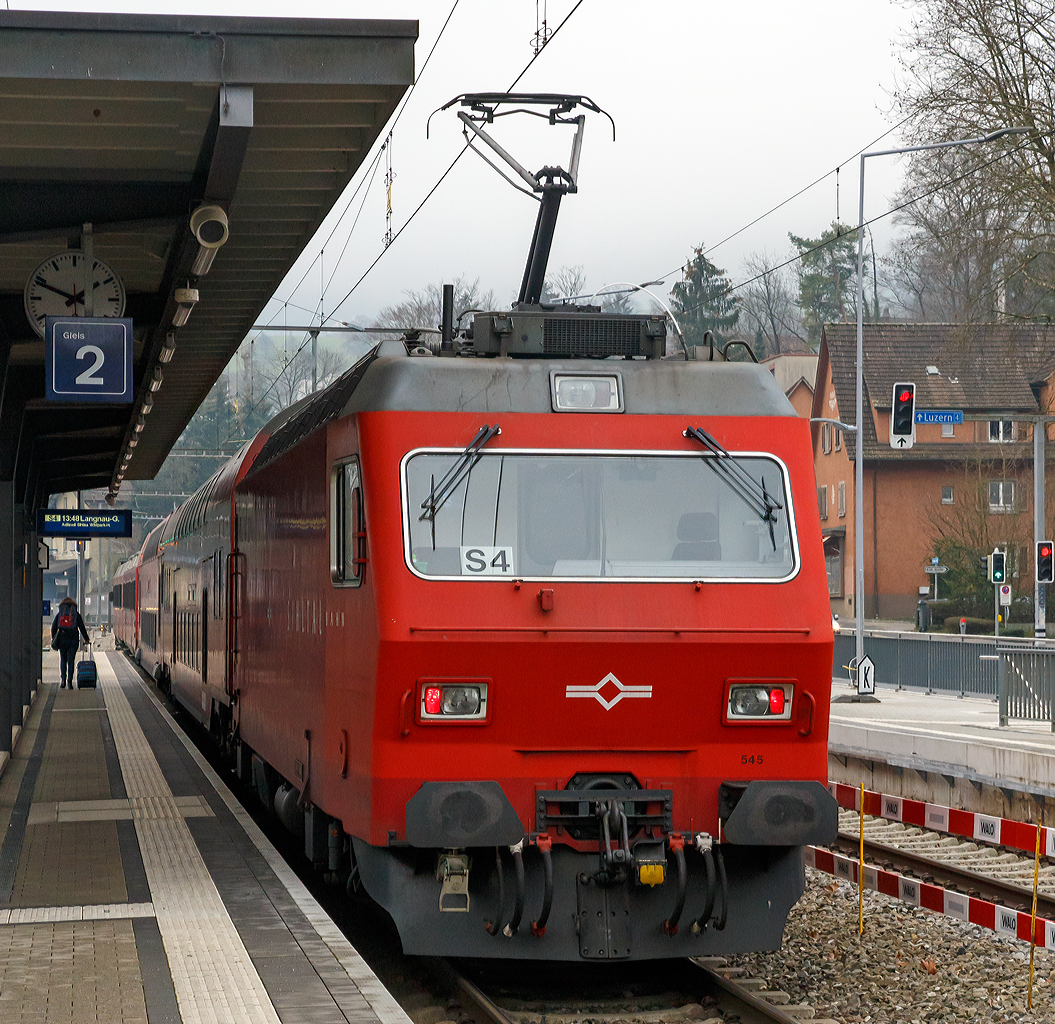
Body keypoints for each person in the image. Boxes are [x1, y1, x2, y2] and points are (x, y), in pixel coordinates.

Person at [51, 596, 90, 689]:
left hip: (62, 638)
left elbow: (53, 627)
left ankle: (63, 681)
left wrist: (54, 638)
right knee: (71, 660)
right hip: (73, 639)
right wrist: (86, 638)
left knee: (63, 659)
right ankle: (70, 682)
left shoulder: (60, 613)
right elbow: (81, 627)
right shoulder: (75, 614)